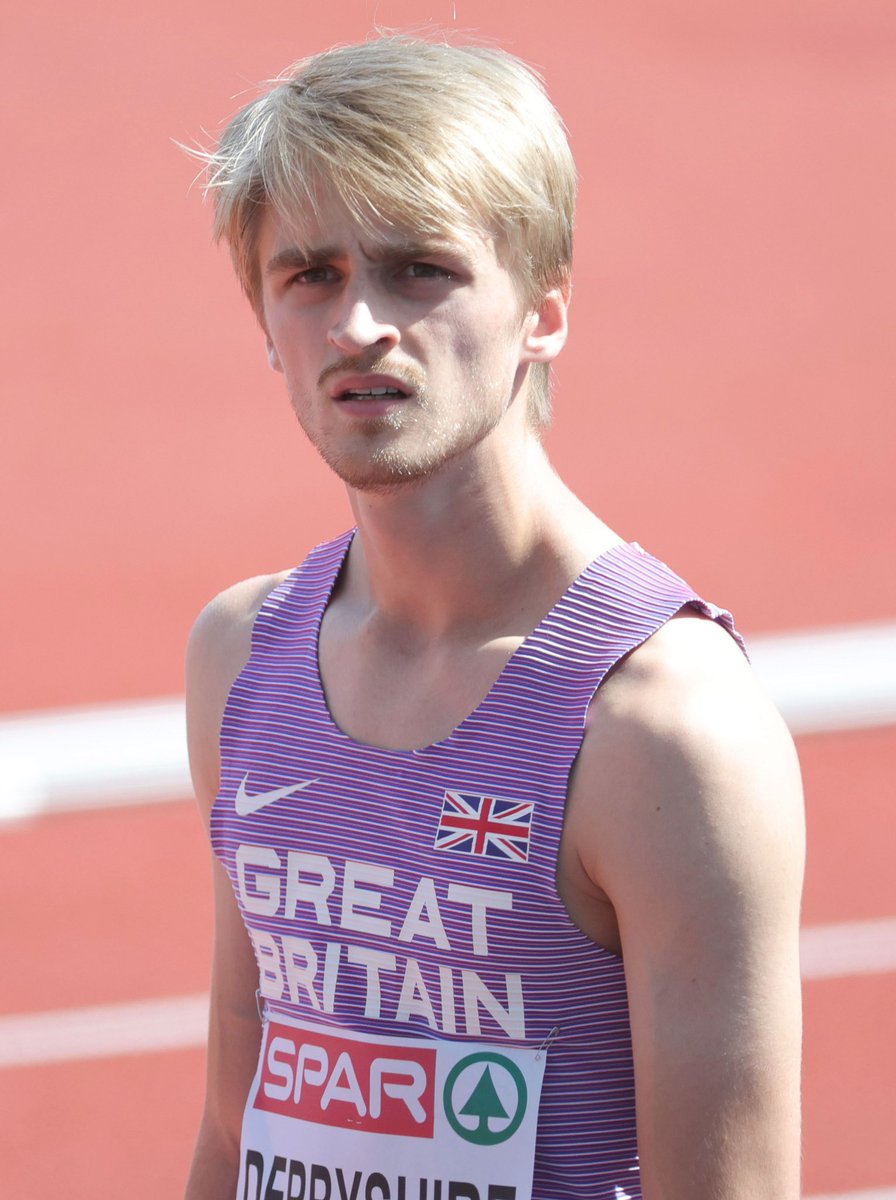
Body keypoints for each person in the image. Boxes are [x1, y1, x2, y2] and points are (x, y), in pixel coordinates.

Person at [184, 35, 804, 1200]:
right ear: (265, 324)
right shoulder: (241, 653)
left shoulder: (662, 729)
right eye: (308, 274)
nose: (359, 321)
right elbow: (233, 1131)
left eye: (419, 268)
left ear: (542, 312)